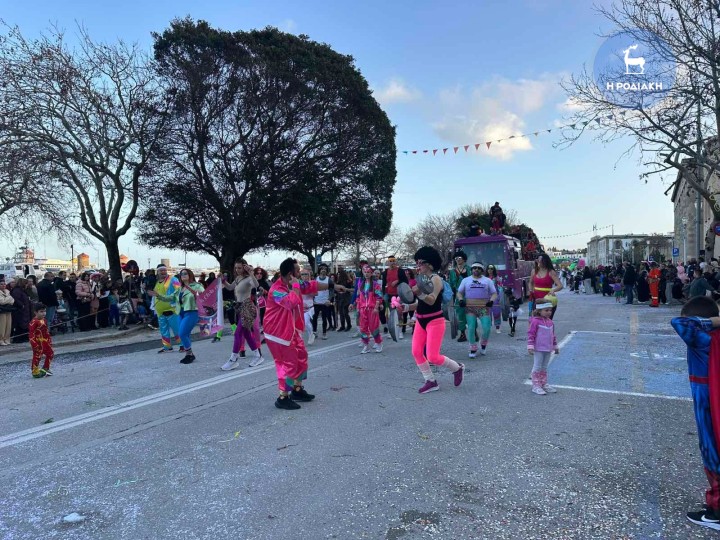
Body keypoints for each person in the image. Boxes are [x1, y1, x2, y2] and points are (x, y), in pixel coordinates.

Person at [670, 296, 720, 530]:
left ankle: (717, 510)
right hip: (710, 395)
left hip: (707, 399)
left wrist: (715, 320)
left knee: (711, 452)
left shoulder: (703, 339)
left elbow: (679, 323)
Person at [263, 257, 330, 410]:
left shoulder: (294, 284)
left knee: (301, 356)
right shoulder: (276, 290)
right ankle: (283, 397)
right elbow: (290, 302)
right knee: (287, 364)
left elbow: (310, 285)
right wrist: (295, 287)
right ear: (290, 274)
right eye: (298, 271)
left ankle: (297, 389)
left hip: (291, 330)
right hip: (277, 333)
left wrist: (332, 285)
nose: (300, 274)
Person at [401, 246, 464, 394]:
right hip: (421, 321)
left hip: (435, 321)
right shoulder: (421, 280)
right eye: (417, 263)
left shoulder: (436, 279)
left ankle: (457, 368)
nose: (418, 266)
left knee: (433, 356)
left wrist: (419, 293)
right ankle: (430, 381)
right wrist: (405, 307)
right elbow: (420, 304)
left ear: (429, 264)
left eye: (420, 262)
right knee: (417, 352)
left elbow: (431, 300)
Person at [150, 269, 204, 364]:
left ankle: (189, 354)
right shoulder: (179, 288)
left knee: (182, 334)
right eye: (181, 274)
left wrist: (198, 294)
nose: (183, 275)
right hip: (180, 313)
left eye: (185, 273)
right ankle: (189, 354)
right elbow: (170, 298)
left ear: (190, 275)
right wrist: (158, 295)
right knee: (184, 334)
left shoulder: (197, 286)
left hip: (191, 312)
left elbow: (205, 296)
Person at [221, 258, 263, 370]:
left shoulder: (249, 278)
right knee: (246, 334)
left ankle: (233, 359)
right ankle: (257, 355)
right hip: (240, 307)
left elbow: (256, 284)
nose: (237, 270)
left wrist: (251, 273)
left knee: (237, 333)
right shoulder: (238, 278)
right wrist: (223, 281)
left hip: (247, 307)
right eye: (236, 268)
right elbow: (230, 287)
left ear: (245, 267)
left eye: (239, 268)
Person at [456, 262, 497, 358]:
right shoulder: (466, 280)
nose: (476, 270)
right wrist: (461, 300)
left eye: (479, 268)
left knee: (487, 328)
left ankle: (483, 343)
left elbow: (494, 293)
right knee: (471, 328)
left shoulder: (487, 281)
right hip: (470, 308)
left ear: (482, 270)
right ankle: (473, 348)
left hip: (483, 308)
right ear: (471, 270)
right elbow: (459, 293)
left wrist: (491, 301)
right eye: (474, 268)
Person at [527, 301, 559, 395]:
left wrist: (555, 346)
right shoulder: (535, 321)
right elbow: (531, 334)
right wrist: (530, 346)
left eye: (550, 310)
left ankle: (543, 383)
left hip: (548, 348)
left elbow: (553, 335)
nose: (549, 312)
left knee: (544, 367)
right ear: (539, 310)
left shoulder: (550, 322)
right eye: (546, 310)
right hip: (539, 348)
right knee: (537, 366)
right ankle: (536, 386)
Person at [352, 264, 384, 354]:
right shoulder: (361, 284)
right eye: (365, 272)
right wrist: (358, 308)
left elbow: (379, 297)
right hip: (363, 309)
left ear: (371, 273)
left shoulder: (375, 285)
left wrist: (376, 307)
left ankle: (378, 343)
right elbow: (358, 298)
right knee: (363, 328)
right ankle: (366, 345)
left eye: (368, 272)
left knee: (374, 328)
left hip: (372, 309)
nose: (366, 274)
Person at [153, 265, 182, 353]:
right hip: (160, 311)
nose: (163, 272)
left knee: (177, 328)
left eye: (164, 270)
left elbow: (178, 290)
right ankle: (167, 347)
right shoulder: (157, 282)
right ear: (157, 272)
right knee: (163, 330)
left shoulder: (173, 279)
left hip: (172, 310)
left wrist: (171, 299)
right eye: (161, 270)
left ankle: (183, 345)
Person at [528, 254, 563, 319]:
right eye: (537, 260)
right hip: (536, 300)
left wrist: (553, 290)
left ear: (545, 261)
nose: (538, 262)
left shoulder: (551, 272)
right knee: (536, 320)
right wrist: (531, 290)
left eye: (540, 260)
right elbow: (530, 282)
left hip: (548, 300)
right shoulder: (534, 271)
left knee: (547, 321)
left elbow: (560, 286)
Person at [448, 251, 470, 342]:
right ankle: (462, 334)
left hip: (469, 294)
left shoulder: (470, 269)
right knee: (460, 315)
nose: (457, 260)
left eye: (459, 258)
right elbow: (450, 283)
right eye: (456, 258)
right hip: (458, 294)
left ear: (464, 259)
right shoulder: (452, 271)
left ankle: (474, 331)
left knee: (471, 312)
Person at [29, 303, 53, 378]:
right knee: (37, 356)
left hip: (45, 341)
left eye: (45, 311)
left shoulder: (44, 320)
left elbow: (46, 331)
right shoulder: (33, 322)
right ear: (35, 312)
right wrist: (34, 344)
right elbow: (31, 335)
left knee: (50, 353)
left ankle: (46, 368)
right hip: (38, 342)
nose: (44, 313)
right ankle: (35, 371)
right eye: (41, 311)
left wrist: (49, 340)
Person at [311, 264, 332, 341]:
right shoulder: (316, 279)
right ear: (319, 271)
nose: (323, 270)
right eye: (322, 269)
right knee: (314, 318)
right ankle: (314, 332)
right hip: (316, 302)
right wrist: (312, 298)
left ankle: (324, 333)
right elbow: (312, 289)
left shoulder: (329, 280)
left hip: (325, 302)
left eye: (325, 269)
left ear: (326, 271)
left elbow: (332, 290)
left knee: (324, 318)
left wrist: (329, 299)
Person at [11, 278, 32, 343]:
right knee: (20, 325)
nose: (27, 285)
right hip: (20, 310)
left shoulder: (22, 290)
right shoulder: (17, 290)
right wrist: (21, 305)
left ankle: (24, 337)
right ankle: (18, 339)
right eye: (26, 283)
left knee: (25, 324)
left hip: (25, 310)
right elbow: (16, 299)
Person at [334, 265, 354, 332]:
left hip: (346, 298)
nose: (339, 275)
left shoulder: (347, 281)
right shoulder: (338, 281)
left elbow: (351, 288)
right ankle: (342, 326)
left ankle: (348, 325)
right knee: (341, 313)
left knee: (345, 312)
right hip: (340, 298)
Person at [485, 265, 504, 334]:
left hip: (495, 297)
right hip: (486, 297)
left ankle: (497, 327)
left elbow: (500, 288)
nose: (490, 270)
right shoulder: (484, 278)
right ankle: (488, 327)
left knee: (497, 312)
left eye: (491, 269)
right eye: (488, 269)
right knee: (487, 313)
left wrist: (499, 296)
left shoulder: (497, 278)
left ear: (494, 270)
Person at [0, 279, 14, 345]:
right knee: (2, 326)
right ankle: (1, 339)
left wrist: (8, 299)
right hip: (2, 311)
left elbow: (13, 301)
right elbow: (2, 302)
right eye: (1, 284)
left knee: (8, 325)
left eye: (4, 284)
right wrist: (9, 298)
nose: (3, 285)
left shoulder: (7, 291)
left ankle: (7, 339)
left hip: (8, 310)